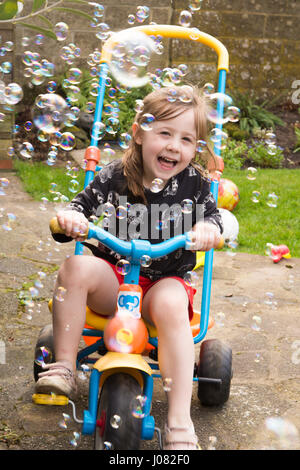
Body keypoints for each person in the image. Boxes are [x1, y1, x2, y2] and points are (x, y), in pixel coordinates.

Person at [35, 84, 223, 450]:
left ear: (196, 147)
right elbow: (78, 207)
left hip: (165, 281)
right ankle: (63, 366)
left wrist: (208, 229)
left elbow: (217, 220)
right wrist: (69, 219)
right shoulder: (112, 176)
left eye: (187, 139)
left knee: (171, 304)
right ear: (139, 133)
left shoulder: (197, 184)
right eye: (164, 133)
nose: (174, 146)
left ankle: (180, 422)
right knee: (75, 267)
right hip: (115, 280)